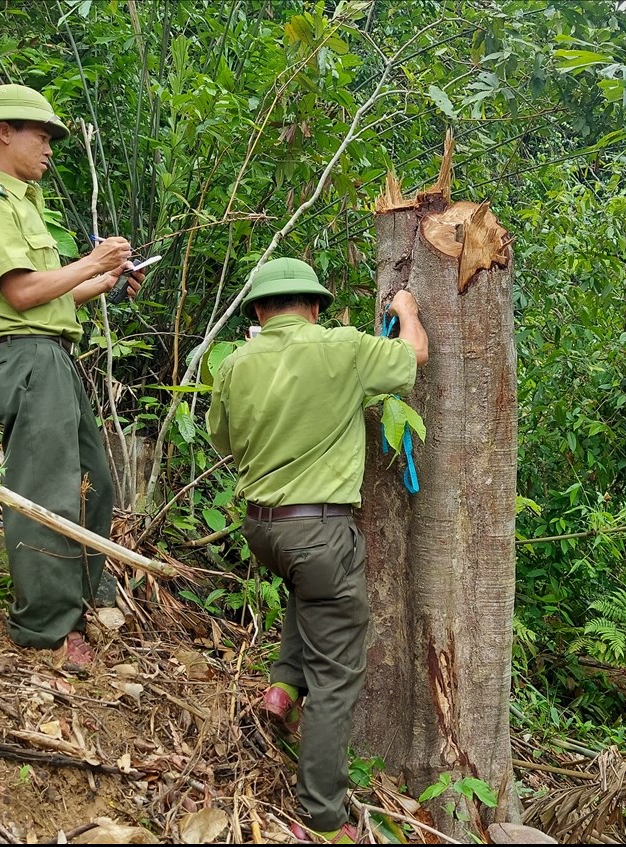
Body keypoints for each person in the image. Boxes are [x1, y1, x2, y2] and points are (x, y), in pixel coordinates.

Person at [206, 258, 428, 843]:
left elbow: (222, 439)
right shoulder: (344, 349)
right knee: (336, 674)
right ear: (313, 306)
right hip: (321, 530)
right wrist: (405, 309)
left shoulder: (235, 363)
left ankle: (281, 689)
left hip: (262, 530)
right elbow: (413, 360)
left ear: (258, 311)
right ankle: (323, 818)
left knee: (309, 595)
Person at [0, 83, 145, 672]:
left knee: (94, 482)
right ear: (3, 132)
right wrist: (90, 261)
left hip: (51, 354)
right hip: (26, 359)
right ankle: (46, 629)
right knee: (47, 492)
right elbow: (21, 292)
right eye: (42, 135)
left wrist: (105, 280)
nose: (50, 148)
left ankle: (83, 597)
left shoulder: (22, 203)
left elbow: (50, 298)